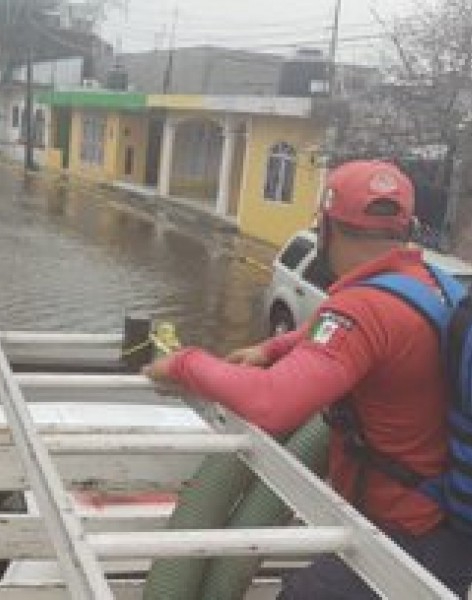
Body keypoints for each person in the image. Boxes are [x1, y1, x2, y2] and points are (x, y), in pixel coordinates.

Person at [143, 160, 472, 599]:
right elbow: (375, 330)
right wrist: (273, 348)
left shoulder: (361, 309)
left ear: (326, 228)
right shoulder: (438, 285)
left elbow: (272, 402)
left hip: (406, 538)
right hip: (450, 525)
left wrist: (185, 364)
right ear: (407, 228)